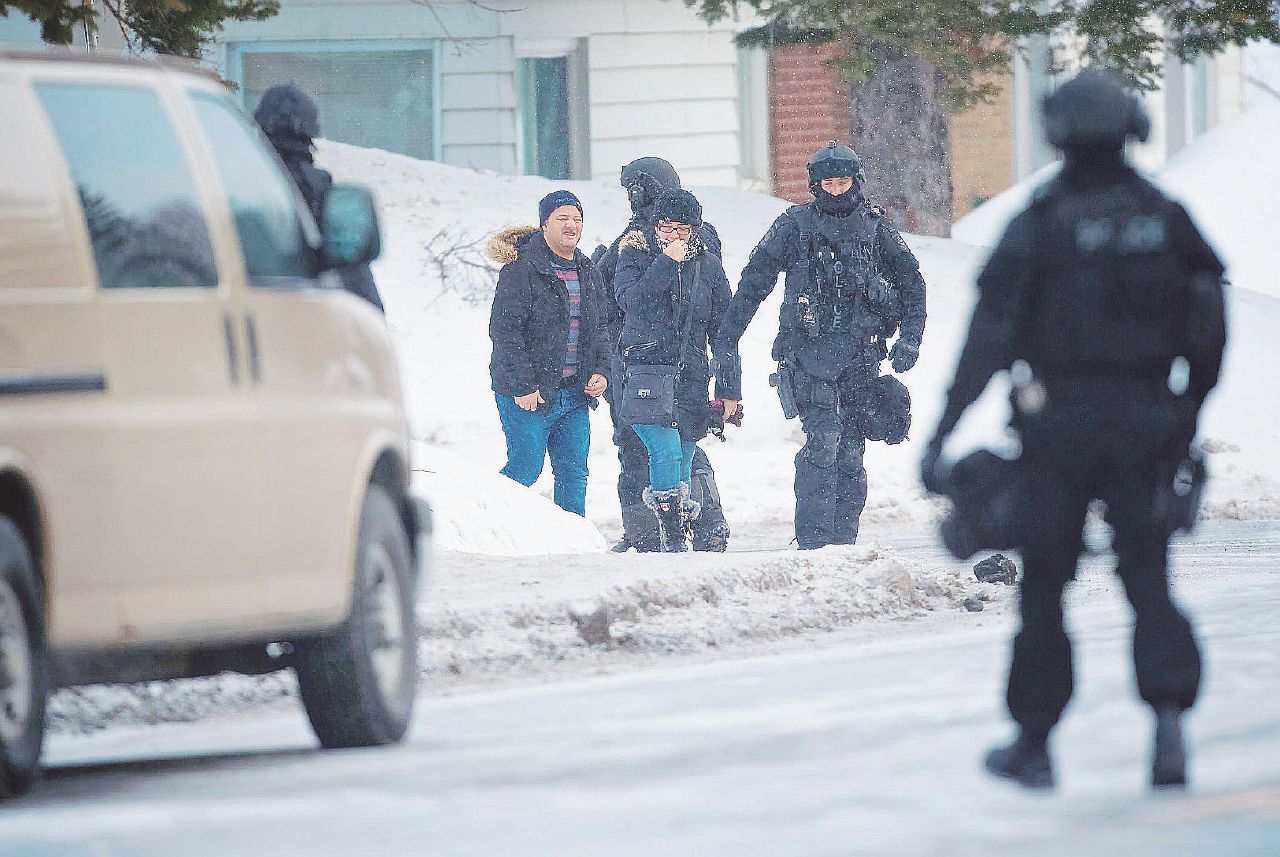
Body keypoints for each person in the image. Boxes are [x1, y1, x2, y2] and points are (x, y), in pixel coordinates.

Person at [921, 69, 1228, 791]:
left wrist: (942, 427)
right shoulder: (1165, 217)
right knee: (1147, 577)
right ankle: (1170, 722)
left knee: (1045, 588)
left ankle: (1034, 742)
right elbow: (1210, 327)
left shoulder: (1041, 221)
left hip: (1056, 429)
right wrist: (1184, 413)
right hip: (1147, 423)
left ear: (1057, 132)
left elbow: (988, 337)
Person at [714, 142, 927, 549]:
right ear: (815, 185)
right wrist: (729, 334)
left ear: (856, 181)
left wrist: (910, 339)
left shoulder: (876, 228)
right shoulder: (794, 226)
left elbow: (912, 285)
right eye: (827, 183)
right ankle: (812, 543)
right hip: (809, 356)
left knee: (850, 451)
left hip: (862, 358)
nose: (835, 190)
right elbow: (756, 280)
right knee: (824, 442)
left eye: (842, 182)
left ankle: (843, 543)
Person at [594, 157, 734, 553]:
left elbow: (611, 301)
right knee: (665, 444)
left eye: (635, 190)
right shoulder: (649, 239)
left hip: (650, 360)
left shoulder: (669, 240)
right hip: (640, 359)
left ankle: (672, 529)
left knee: (664, 445)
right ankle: (675, 528)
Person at [486, 190, 610, 516]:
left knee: (573, 473)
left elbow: (600, 330)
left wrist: (601, 370)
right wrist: (523, 385)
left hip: (573, 395)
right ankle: (484, 523)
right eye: (563, 218)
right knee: (525, 468)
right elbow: (505, 333)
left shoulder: (588, 271)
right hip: (529, 394)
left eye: (577, 219)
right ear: (544, 224)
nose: (572, 225)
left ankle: (572, 543)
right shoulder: (521, 271)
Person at [253, 83, 385, 311]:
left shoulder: (235, 183)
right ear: (310, 129)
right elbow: (351, 269)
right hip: (310, 305)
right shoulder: (317, 186)